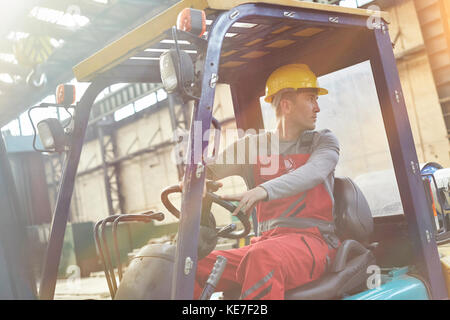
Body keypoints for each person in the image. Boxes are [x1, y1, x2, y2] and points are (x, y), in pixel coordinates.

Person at [194, 64, 340, 300]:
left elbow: (313, 173)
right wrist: (194, 180)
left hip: (314, 242)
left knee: (263, 257)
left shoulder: (322, 142)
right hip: (266, 242)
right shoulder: (252, 146)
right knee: (188, 264)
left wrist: (262, 190)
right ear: (287, 104)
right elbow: (206, 171)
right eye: (311, 99)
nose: (318, 107)